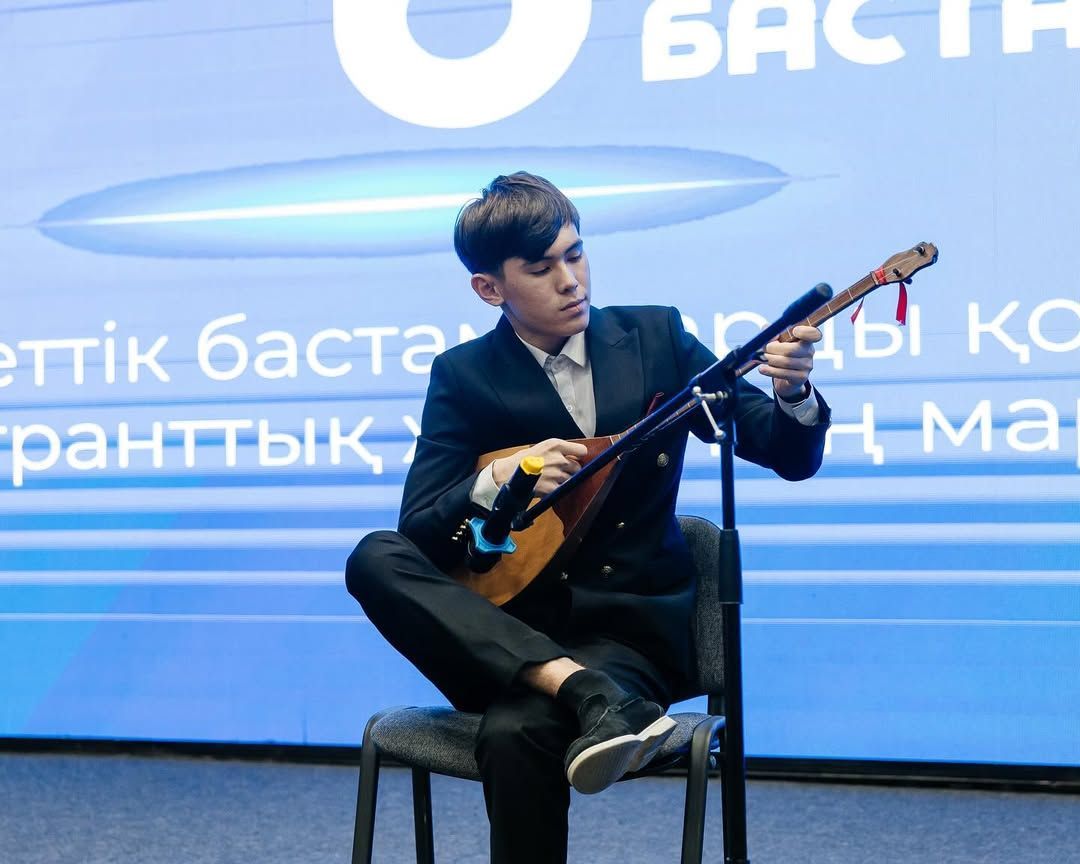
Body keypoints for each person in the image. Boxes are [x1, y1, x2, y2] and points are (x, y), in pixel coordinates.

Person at [346, 172, 830, 863]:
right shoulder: (464, 375)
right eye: (541, 268)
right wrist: (498, 479)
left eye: (576, 254)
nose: (570, 280)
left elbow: (783, 452)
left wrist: (792, 391)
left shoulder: (656, 337)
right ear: (489, 288)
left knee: (516, 732)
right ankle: (576, 686)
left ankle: (585, 687)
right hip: (506, 633)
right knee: (373, 555)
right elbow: (421, 531)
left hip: (625, 636)